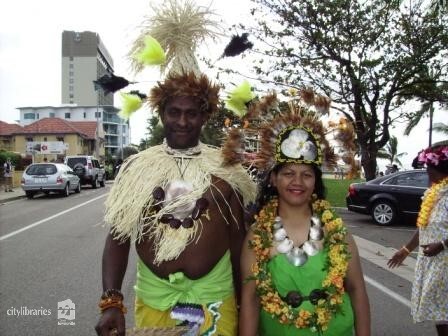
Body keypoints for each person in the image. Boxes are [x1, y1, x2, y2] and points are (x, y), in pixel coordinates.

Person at [95, 71, 257, 336]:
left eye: (191, 113)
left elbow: (238, 242)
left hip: (215, 301)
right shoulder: (137, 169)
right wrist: (111, 302)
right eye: (174, 112)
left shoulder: (227, 170)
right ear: (162, 114)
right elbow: (118, 239)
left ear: (204, 116)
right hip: (154, 301)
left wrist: (245, 305)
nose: (182, 121)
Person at [239, 109, 371, 335]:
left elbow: (357, 290)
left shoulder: (335, 231)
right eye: (288, 173)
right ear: (273, 178)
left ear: (315, 181)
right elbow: (250, 300)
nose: (297, 182)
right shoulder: (258, 235)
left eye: (306, 174)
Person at [388, 143, 448, 336]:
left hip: (444, 261)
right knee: (439, 311)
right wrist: (405, 250)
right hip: (431, 261)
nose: (427, 173)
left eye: (430, 169)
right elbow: (423, 227)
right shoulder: (434, 193)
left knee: (443, 311)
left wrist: (443, 244)